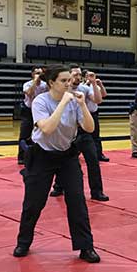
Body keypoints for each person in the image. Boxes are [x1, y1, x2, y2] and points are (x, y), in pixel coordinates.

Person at [13, 65, 100, 263]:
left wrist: (83, 105)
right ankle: (23, 241)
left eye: (70, 80)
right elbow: (48, 128)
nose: (69, 83)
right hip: (42, 155)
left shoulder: (75, 100)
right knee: (34, 202)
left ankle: (86, 246)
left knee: (77, 200)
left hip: (67, 156)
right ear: (51, 83)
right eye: (64, 81)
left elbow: (89, 127)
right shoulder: (40, 101)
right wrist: (63, 103)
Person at [49, 65, 109, 201]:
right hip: (68, 131)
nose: (77, 77)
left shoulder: (85, 88)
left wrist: (94, 83)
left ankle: (97, 191)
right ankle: (59, 186)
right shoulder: (62, 90)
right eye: (75, 74)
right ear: (69, 76)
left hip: (84, 130)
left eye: (79, 75)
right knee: (63, 160)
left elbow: (98, 100)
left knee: (93, 160)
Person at [18, 67, 47, 165]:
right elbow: (29, 93)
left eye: (40, 73)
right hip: (28, 111)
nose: (39, 75)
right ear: (32, 74)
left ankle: (39, 155)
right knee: (25, 133)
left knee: (40, 134)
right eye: (37, 73)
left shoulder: (45, 85)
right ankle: (21, 156)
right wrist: (35, 81)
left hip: (40, 112)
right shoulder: (27, 84)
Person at [92, 76, 110, 162]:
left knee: (96, 135)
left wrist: (100, 84)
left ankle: (99, 154)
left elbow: (104, 95)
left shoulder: (95, 86)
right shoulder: (82, 86)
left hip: (93, 113)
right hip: (82, 113)